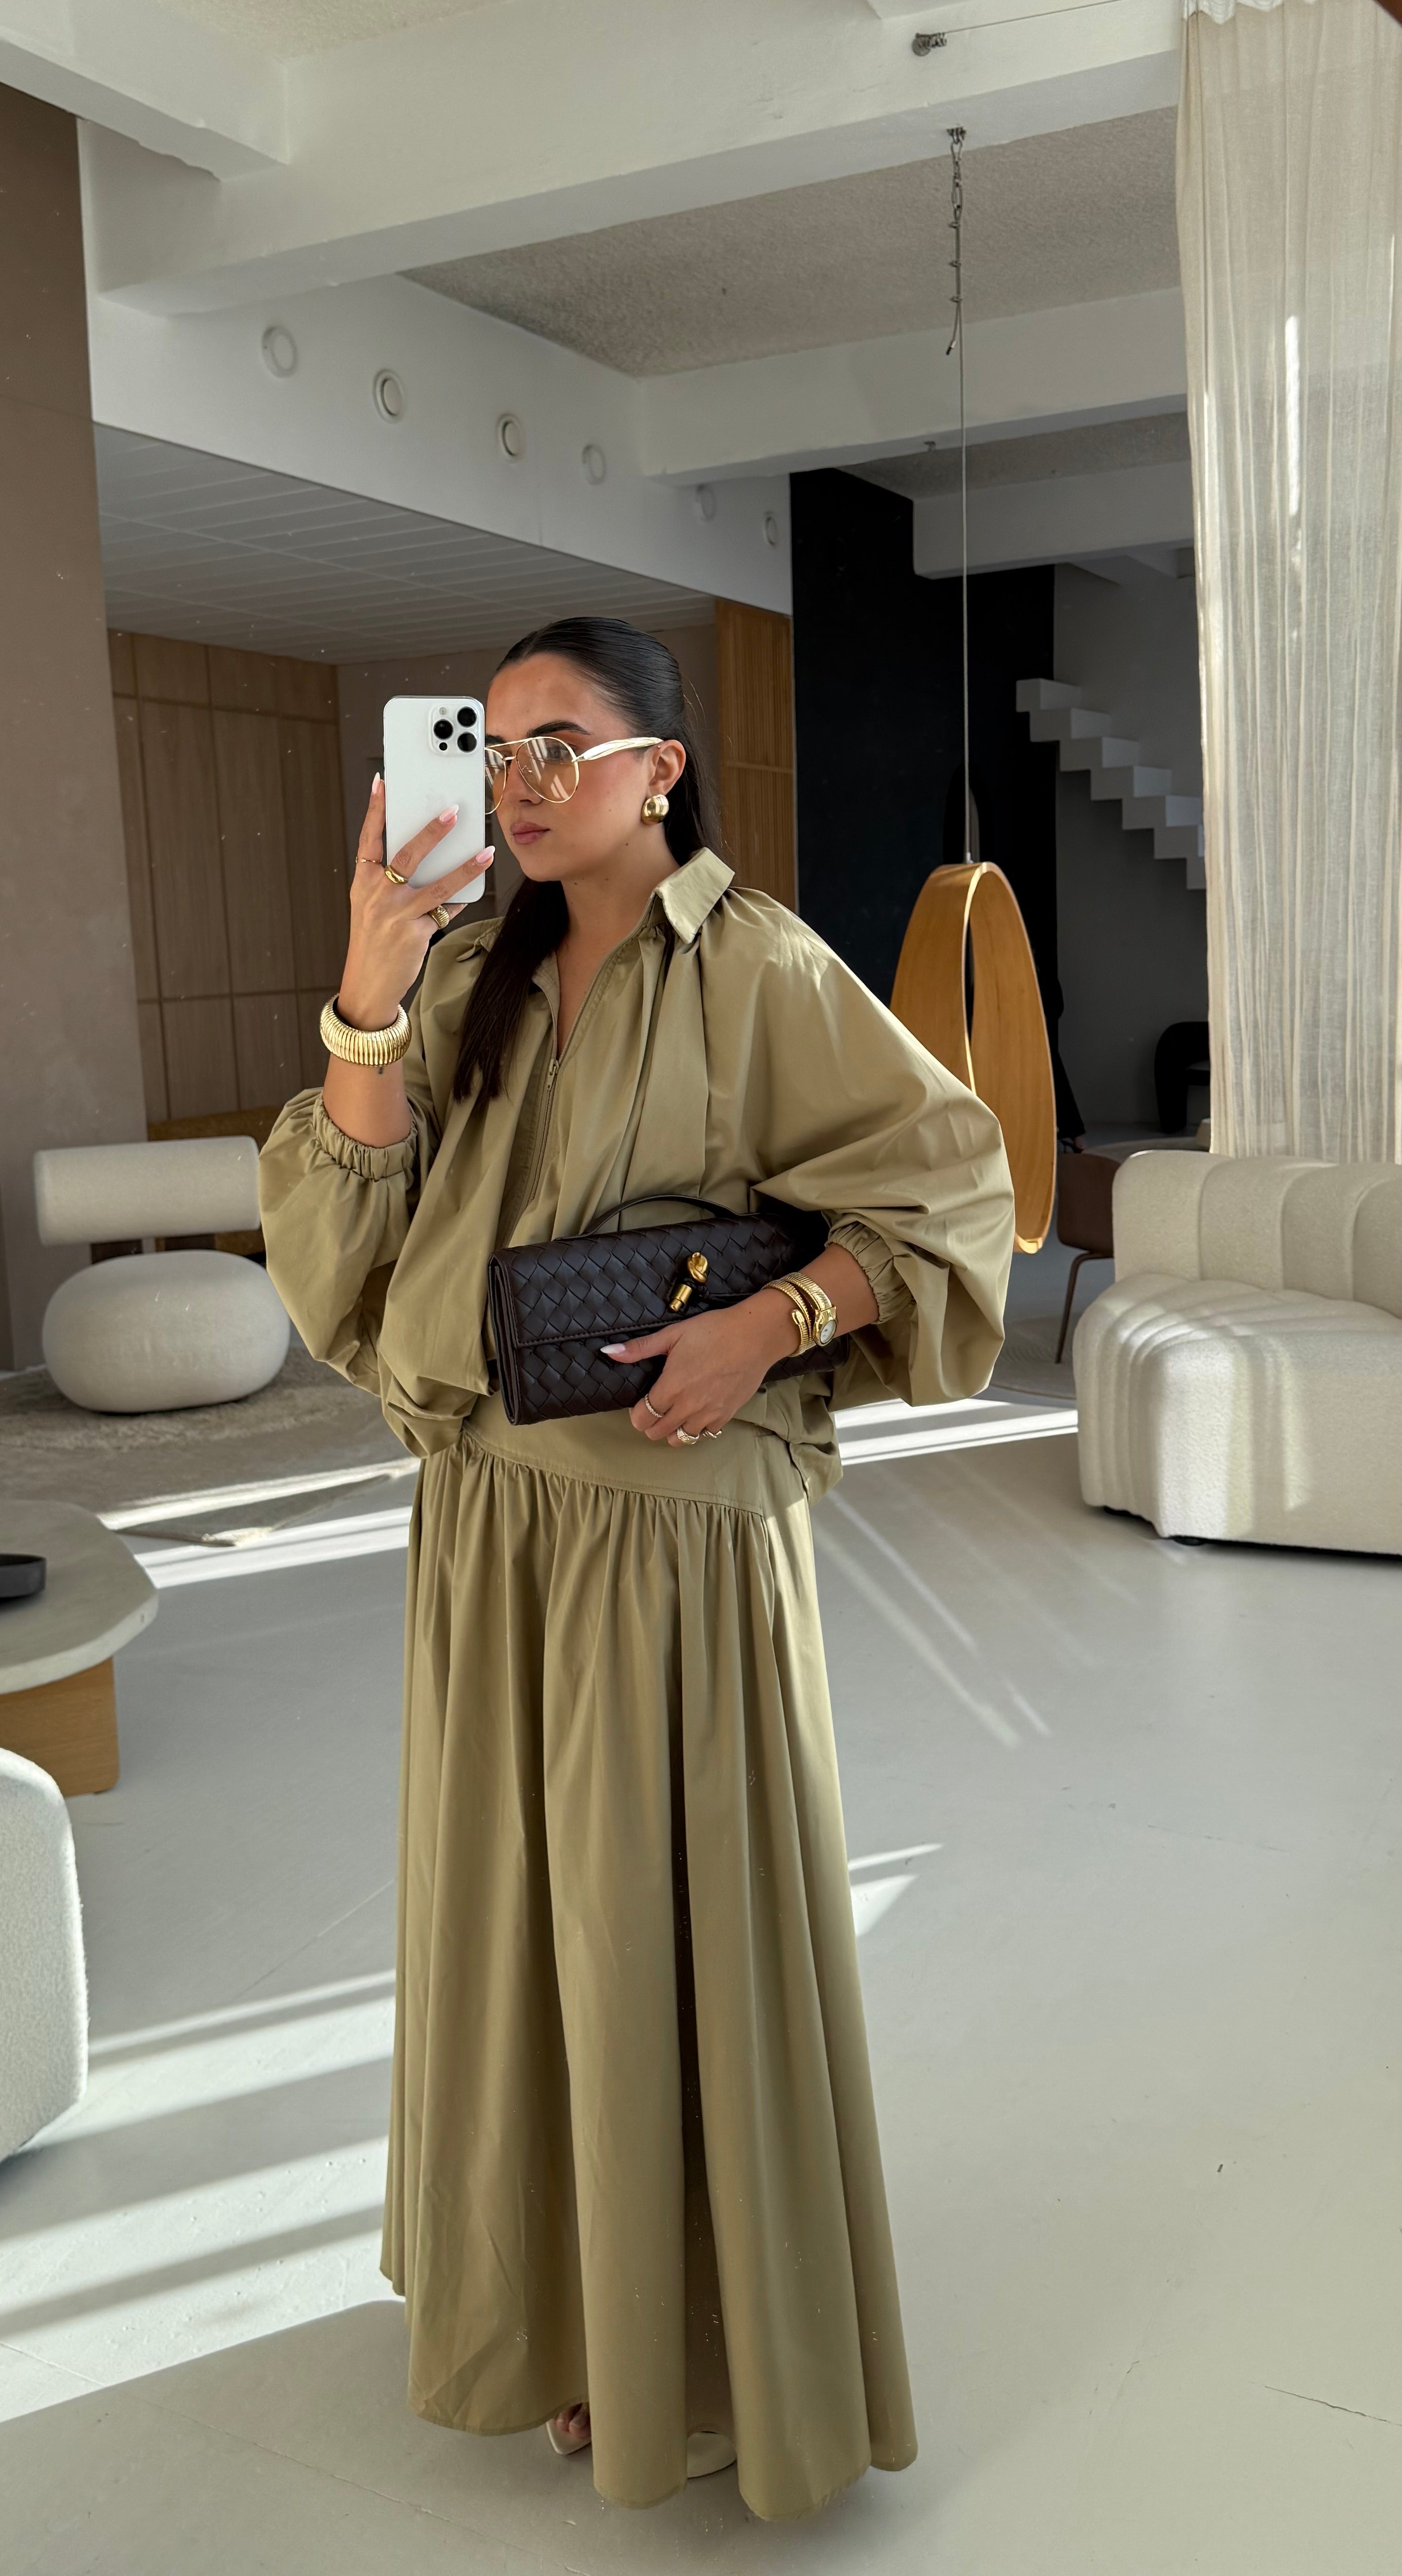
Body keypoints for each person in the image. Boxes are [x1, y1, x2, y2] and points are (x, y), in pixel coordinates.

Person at [257, 617, 1015, 2520]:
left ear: (659, 768)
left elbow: (950, 1186)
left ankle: (700, 2348)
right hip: (489, 1524)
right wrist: (365, 995)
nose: (515, 784)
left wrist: (772, 1325)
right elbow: (349, 1254)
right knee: (518, 1931)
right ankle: (556, 2317)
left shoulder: (759, 969)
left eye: (557, 747)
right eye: (490, 748)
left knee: (662, 1935)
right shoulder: (466, 975)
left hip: (672, 1532)